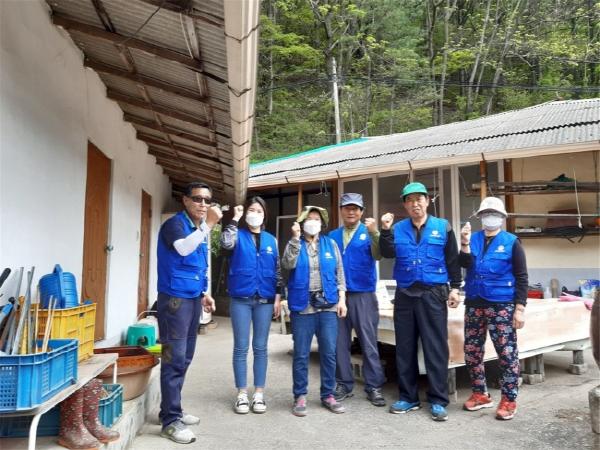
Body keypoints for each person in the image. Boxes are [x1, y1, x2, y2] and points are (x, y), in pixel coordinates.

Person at [379, 182, 461, 421]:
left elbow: (453, 259)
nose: (415, 204)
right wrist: (384, 230)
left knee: (435, 347)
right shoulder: (397, 228)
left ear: (427, 201)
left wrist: (455, 288)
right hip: (405, 293)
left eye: (419, 199)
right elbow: (387, 253)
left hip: (433, 293)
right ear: (405, 205)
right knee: (405, 347)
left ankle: (438, 400)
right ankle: (408, 397)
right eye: (410, 200)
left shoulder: (443, 227)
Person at [156, 181, 220, 444]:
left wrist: (204, 293)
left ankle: (171, 410)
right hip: (174, 301)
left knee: (185, 357)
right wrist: (210, 224)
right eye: (197, 199)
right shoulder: (175, 224)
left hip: (192, 299)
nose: (203, 204)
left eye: (207, 200)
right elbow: (183, 248)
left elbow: (194, 264)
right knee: (173, 358)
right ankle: (171, 421)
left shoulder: (197, 228)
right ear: (185, 200)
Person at [459, 196, 528, 420]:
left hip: (502, 305)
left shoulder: (512, 242)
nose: (490, 217)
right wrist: (465, 243)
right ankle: (480, 394)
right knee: (472, 351)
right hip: (474, 302)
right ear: (480, 217)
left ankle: (509, 399)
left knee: (506, 353)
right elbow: (464, 264)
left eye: (495, 214)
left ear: (502, 217)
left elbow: (522, 277)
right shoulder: (473, 239)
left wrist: (519, 309)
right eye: (486, 214)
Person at [282, 205, 347, 416]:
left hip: (328, 304)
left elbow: (340, 272)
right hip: (302, 306)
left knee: (329, 353)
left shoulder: (331, 244)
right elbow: (287, 265)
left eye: (316, 219)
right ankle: (300, 395)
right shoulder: (295, 243)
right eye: (309, 218)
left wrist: (342, 300)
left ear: (322, 223)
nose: (313, 222)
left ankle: (328, 394)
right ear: (302, 223)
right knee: (301, 354)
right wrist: (294, 239)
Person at [220, 196, 282, 415]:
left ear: (265, 215)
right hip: (241, 298)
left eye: (259, 211)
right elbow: (225, 244)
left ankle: (259, 394)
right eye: (251, 210)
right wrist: (234, 218)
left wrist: (278, 296)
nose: (255, 214)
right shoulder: (237, 234)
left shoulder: (271, 240)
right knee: (241, 347)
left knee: (261, 347)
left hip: (265, 299)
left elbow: (277, 270)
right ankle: (241, 394)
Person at [330, 193, 386, 407]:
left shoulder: (369, 232)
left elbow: (379, 255)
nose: (351, 212)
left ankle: (374, 386)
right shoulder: (332, 236)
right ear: (341, 211)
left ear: (362, 212)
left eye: (355, 208)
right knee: (339, 343)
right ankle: (344, 383)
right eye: (347, 208)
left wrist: (375, 233)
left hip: (363, 293)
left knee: (368, 342)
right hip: (338, 296)